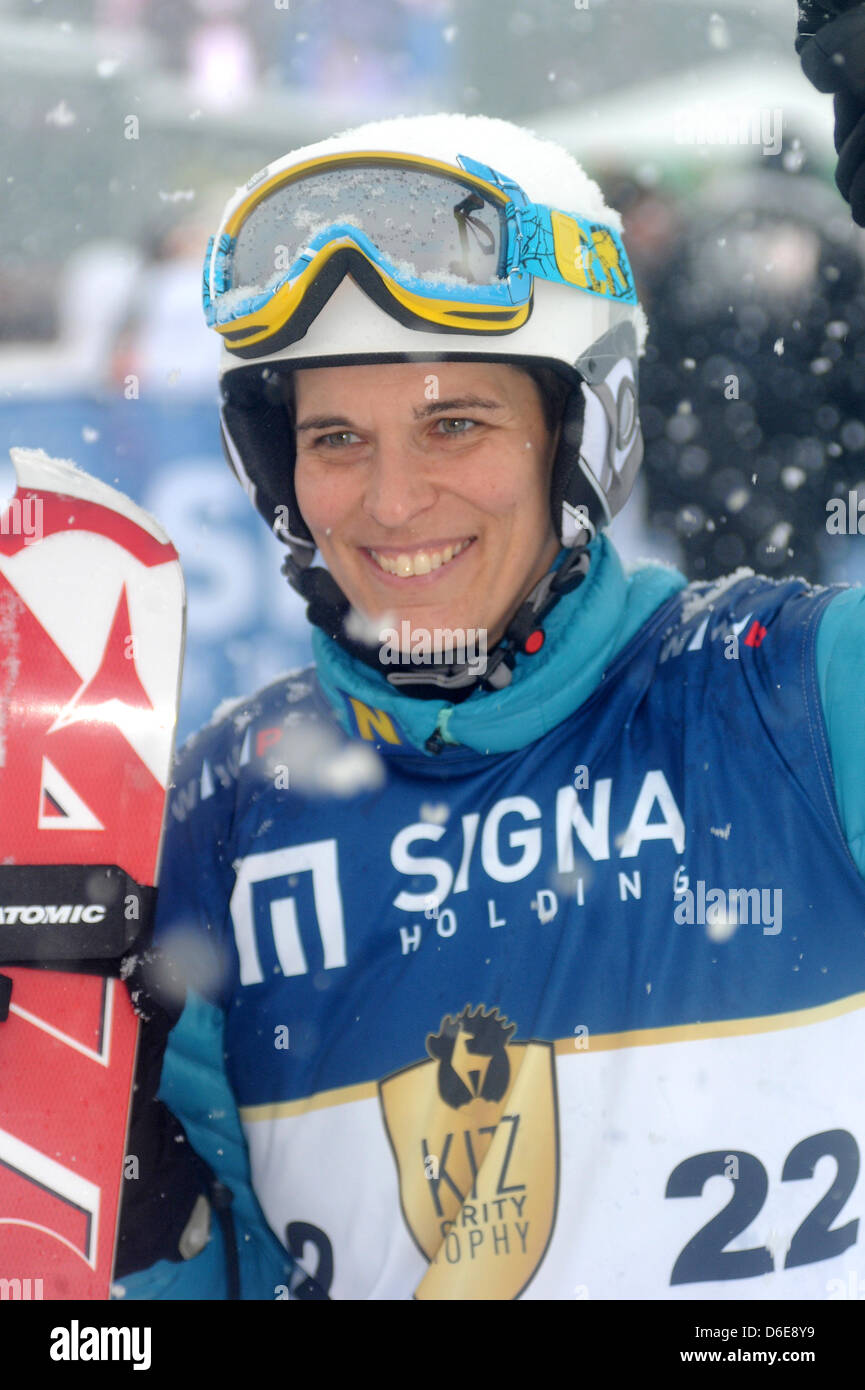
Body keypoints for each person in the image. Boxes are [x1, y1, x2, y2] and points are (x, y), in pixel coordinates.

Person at [116, 109, 865, 1301]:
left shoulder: (794, 691)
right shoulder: (222, 808)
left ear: (581, 436)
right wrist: (127, 1233)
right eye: (335, 437)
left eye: (453, 423)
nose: (390, 501)